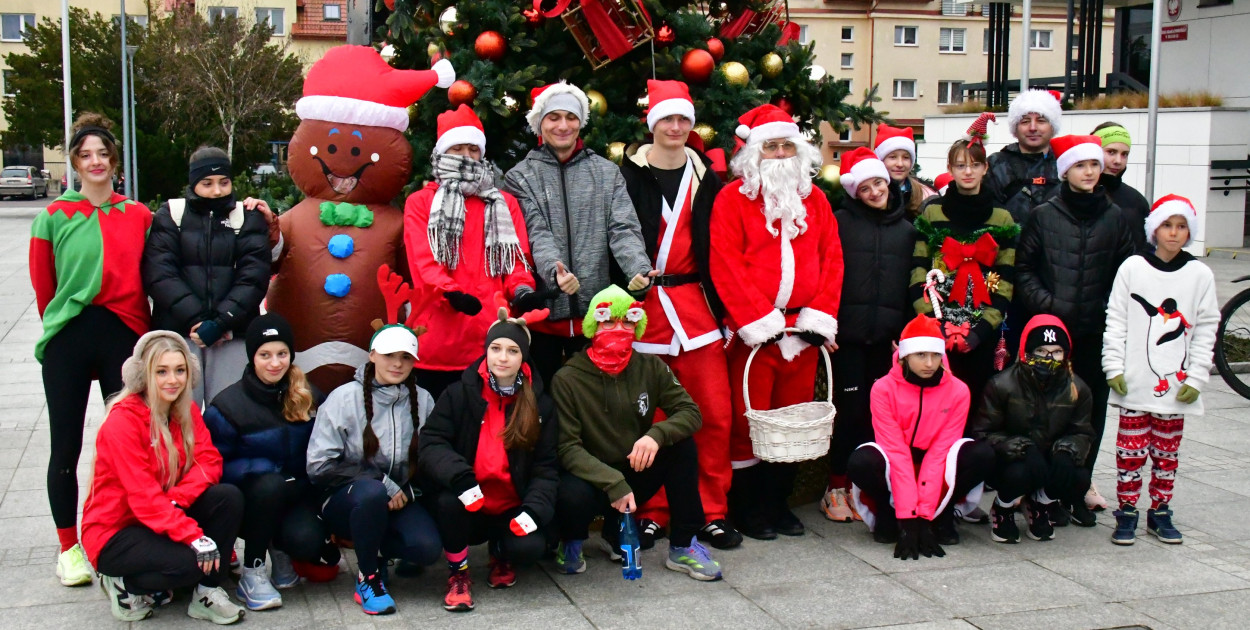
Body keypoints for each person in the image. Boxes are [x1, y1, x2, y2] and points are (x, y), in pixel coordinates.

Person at [28, 113, 153, 587]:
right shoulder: (53, 216)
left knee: (131, 444)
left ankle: (124, 529)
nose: (95, 161)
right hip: (69, 341)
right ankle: (69, 547)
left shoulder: (138, 214)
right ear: (75, 163)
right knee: (66, 445)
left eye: (102, 153)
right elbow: (45, 289)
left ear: (114, 160)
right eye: (85, 155)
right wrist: (61, 331)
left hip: (124, 338)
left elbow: (154, 272)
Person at [709, 104, 843, 540]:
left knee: (794, 421)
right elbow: (725, 264)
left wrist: (818, 319)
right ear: (753, 152)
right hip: (755, 335)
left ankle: (778, 503)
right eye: (772, 146)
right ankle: (746, 507)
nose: (782, 153)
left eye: (788, 145)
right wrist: (758, 322)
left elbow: (832, 260)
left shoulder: (816, 200)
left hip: (803, 333)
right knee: (749, 423)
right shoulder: (732, 200)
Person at [618, 80, 740, 549]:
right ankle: (652, 509)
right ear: (652, 124)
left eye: (683, 119)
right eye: (666, 119)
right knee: (649, 418)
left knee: (712, 414)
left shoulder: (710, 179)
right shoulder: (624, 176)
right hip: (643, 310)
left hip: (697, 311)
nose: (675, 127)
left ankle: (711, 510)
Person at [552, 285, 722, 581]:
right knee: (570, 492)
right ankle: (572, 541)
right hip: (591, 478)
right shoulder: (567, 378)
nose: (619, 329)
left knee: (681, 445)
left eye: (628, 322)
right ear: (593, 325)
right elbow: (567, 448)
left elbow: (691, 413)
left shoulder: (650, 366)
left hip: (634, 468)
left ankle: (683, 545)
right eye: (609, 321)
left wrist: (656, 434)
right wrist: (613, 483)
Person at [82, 332, 246, 624]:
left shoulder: (185, 410)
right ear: (143, 374)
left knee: (227, 497)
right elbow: (143, 498)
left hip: (163, 511)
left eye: (180, 370)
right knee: (192, 563)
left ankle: (206, 593)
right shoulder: (122, 422)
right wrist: (194, 537)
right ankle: (122, 582)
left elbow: (209, 461)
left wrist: (177, 499)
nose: (173, 380)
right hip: (118, 530)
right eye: (162, 371)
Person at [503, 81, 655, 388]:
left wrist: (638, 268)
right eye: (553, 117)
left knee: (594, 407)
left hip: (595, 319)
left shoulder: (606, 173)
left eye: (570, 117)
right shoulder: (519, 178)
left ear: (580, 122)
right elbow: (535, 234)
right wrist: (554, 274)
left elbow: (623, 228)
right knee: (541, 403)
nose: (563, 125)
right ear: (540, 122)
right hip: (542, 319)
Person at [306, 270, 440, 615]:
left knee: (426, 549)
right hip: (347, 500)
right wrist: (381, 482)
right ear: (372, 355)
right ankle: (367, 577)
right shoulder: (343, 398)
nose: (397, 363)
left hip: (398, 500)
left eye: (406, 357)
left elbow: (432, 456)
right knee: (371, 493)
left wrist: (408, 492)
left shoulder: (423, 400)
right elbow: (319, 465)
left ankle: (379, 552)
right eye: (389, 355)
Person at [1015, 134, 1135, 519]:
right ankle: (1043, 490)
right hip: (1053, 333)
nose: (1089, 171)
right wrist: (1051, 307)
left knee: (1090, 411)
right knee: (1047, 411)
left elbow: (1126, 273)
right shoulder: (1044, 214)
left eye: (1094, 165)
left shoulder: (1115, 216)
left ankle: (1077, 487)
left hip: (1096, 331)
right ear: (1065, 170)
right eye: (1081, 165)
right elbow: (1024, 270)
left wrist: (1107, 310)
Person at [419, 304, 559, 612]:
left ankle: (501, 553)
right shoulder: (459, 393)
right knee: (446, 502)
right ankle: (459, 573)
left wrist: (534, 510)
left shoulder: (540, 405)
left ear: (524, 359)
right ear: (486, 351)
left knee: (530, 548)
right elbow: (431, 442)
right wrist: (461, 478)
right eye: (495, 348)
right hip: (469, 500)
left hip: (511, 505)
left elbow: (546, 468)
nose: (502, 357)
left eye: (512, 350)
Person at [1102, 194, 1219, 546]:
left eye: (1181, 226)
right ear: (1154, 229)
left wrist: (1197, 376)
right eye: (1167, 225)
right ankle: (1127, 510)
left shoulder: (1199, 274)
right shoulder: (1133, 268)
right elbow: (1117, 318)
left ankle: (1161, 510)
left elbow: (1207, 326)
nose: (1173, 233)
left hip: (1176, 383)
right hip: (1135, 382)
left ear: (1189, 232)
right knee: (1130, 451)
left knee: (1167, 452)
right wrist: (1113, 366)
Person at [203, 313, 340, 611]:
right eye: (265, 355)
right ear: (252, 357)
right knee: (270, 484)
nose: (275, 363)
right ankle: (252, 571)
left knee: (307, 541)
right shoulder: (227, 406)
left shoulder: (308, 394)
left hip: (295, 495)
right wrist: (260, 469)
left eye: (282, 354)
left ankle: (280, 546)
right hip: (250, 498)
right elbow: (211, 466)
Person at [405, 105, 538, 400]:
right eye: (457, 148)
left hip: (492, 338)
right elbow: (422, 261)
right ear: (443, 153)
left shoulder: (503, 203)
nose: (466, 155)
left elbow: (517, 260)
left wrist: (524, 291)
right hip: (439, 335)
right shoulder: (420, 203)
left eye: (472, 148)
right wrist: (450, 292)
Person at [847, 314, 994, 557]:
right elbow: (895, 451)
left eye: (936, 355)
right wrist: (907, 519)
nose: (929, 363)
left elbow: (941, 451)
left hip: (937, 462)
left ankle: (944, 514)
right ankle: (887, 512)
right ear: (905, 355)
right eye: (921, 355)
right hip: (898, 461)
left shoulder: (958, 391)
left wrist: (924, 517)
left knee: (982, 454)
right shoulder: (883, 388)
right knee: (861, 461)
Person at [820, 147, 914, 523]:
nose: (875, 192)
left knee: (881, 417)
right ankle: (836, 487)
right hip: (848, 338)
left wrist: (906, 332)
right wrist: (825, 323)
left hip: (887, 339)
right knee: (850, 413)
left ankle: (869, 485)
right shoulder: (840, 222)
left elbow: (912, 286)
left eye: (879, 183)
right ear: (854, 192)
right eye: (865, 188)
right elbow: (825, 272)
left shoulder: (907, 230)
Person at [143, 146, 273, 404]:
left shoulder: (247, 216)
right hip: (181, 333)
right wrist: (200, 321)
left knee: (227, 412)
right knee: (177, 413)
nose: (217, 191)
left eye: (224, 182)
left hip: (231, 335)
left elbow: (254, 276)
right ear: (193, 184)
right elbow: (160, 273)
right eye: (207, 183)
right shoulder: (170, 215)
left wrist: (222, 322)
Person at [911, 123, 1018, 418]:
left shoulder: (1003, 218)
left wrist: (982, 330)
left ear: (986, 168)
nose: (968, 172)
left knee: (978, 407)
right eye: (960, 165)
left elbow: (1007, 280)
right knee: (938, 406)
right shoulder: (933, 213)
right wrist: (935, 322)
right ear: (950, 168)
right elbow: (919, 271)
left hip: (982, 330)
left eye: (975, 164)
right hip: (938, 329)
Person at [972, 316, 1096, 544]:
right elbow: (982, 433)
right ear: (1027, 352)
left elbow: (1083, 432)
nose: (1049, 358)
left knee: (1078, 477)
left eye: (1057, 352)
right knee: (1018, 474)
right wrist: (1021, 448)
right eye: (1041, 350)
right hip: (1013, 460)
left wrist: (1067, 450)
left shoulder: (1078, 388)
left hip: (1050, 456)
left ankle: (1041, 502)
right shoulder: (1001, 384)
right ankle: (1003, 506)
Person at [987, 89, 1063, 222]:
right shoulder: (997, 164)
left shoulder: (1065, 163)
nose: (1033, 128)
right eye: (1025, 121)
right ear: (1015, 128)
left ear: (1052, 127)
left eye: (1041, 120)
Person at [1092, 122, 1151, 253]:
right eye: (1111, 152)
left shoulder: (1136, 201)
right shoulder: (1069, 193)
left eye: (1124, 154)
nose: (1118, 160)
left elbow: (1146, 249)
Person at [872, 123, 937, 218]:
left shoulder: (926, 196)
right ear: (880, 160)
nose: (900, 164)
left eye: (906, 157)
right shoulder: (870, 194)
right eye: (893, 157)